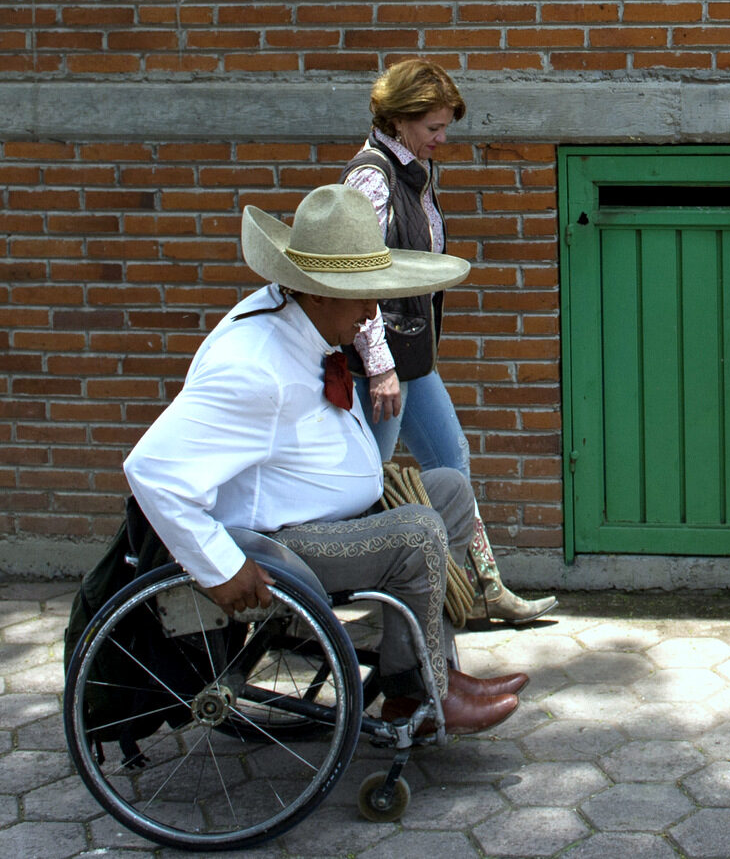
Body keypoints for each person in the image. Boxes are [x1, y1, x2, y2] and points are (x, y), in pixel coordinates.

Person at [124, 184, 527, 734]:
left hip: (322, 518)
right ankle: (421, 691)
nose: (371, 311)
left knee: (449, 492)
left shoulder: (300, 324)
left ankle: (427, 673)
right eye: (360, 296)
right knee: (418, 533)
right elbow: (152, 469)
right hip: (276, 543)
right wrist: (219, 565)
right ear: (316, 293)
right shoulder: (252, 365)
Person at [340, 58, 555, 626]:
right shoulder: (372, 177)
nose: (442, 138)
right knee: (368, 482)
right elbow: (357, 280)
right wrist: (379, 366)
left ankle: (479, 589)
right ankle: (364, 610)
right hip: (378, 364)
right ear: (399, 119)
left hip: (413, 358)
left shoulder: (414, 170)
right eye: (433, 127)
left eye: (445, 126)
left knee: (451, 461)